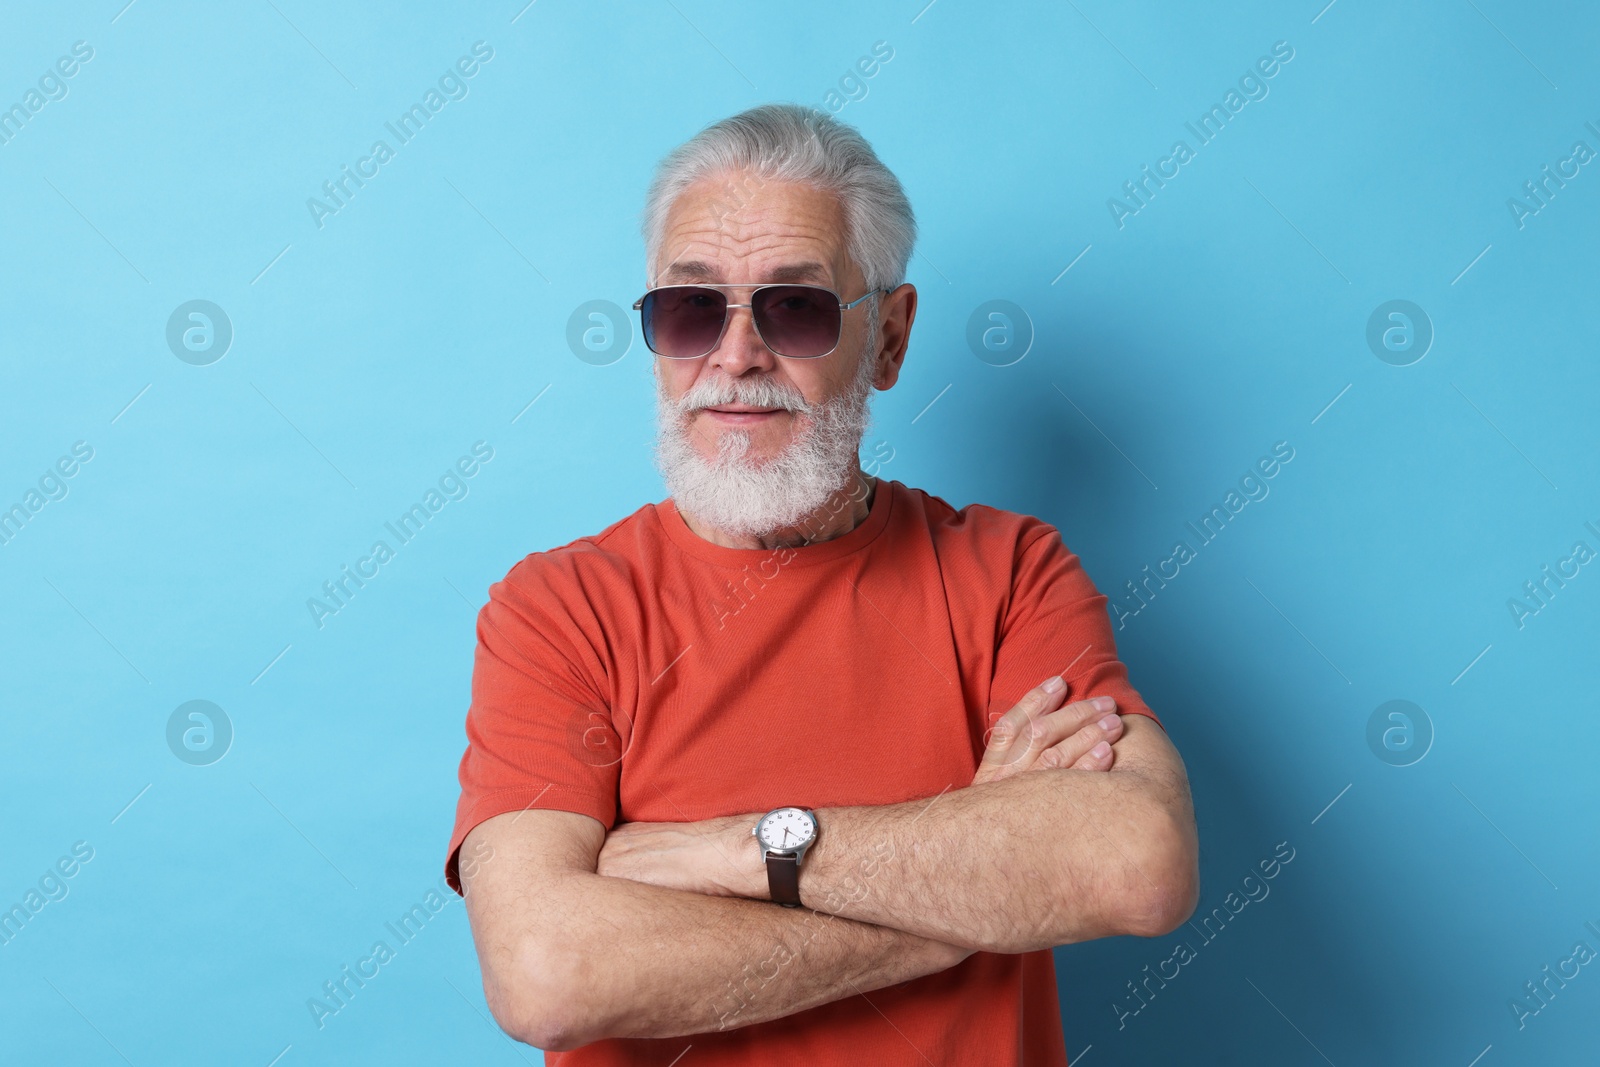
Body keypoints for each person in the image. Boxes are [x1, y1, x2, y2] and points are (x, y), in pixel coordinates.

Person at [445, 103, 1199, 1065]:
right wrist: (971, 897)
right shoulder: (558, 610)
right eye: (690, 307)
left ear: (888, 338)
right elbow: (545, 972)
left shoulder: (1012, 574)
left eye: (793, 307)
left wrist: (736, 853)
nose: (734, 356)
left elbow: (1136, 863)